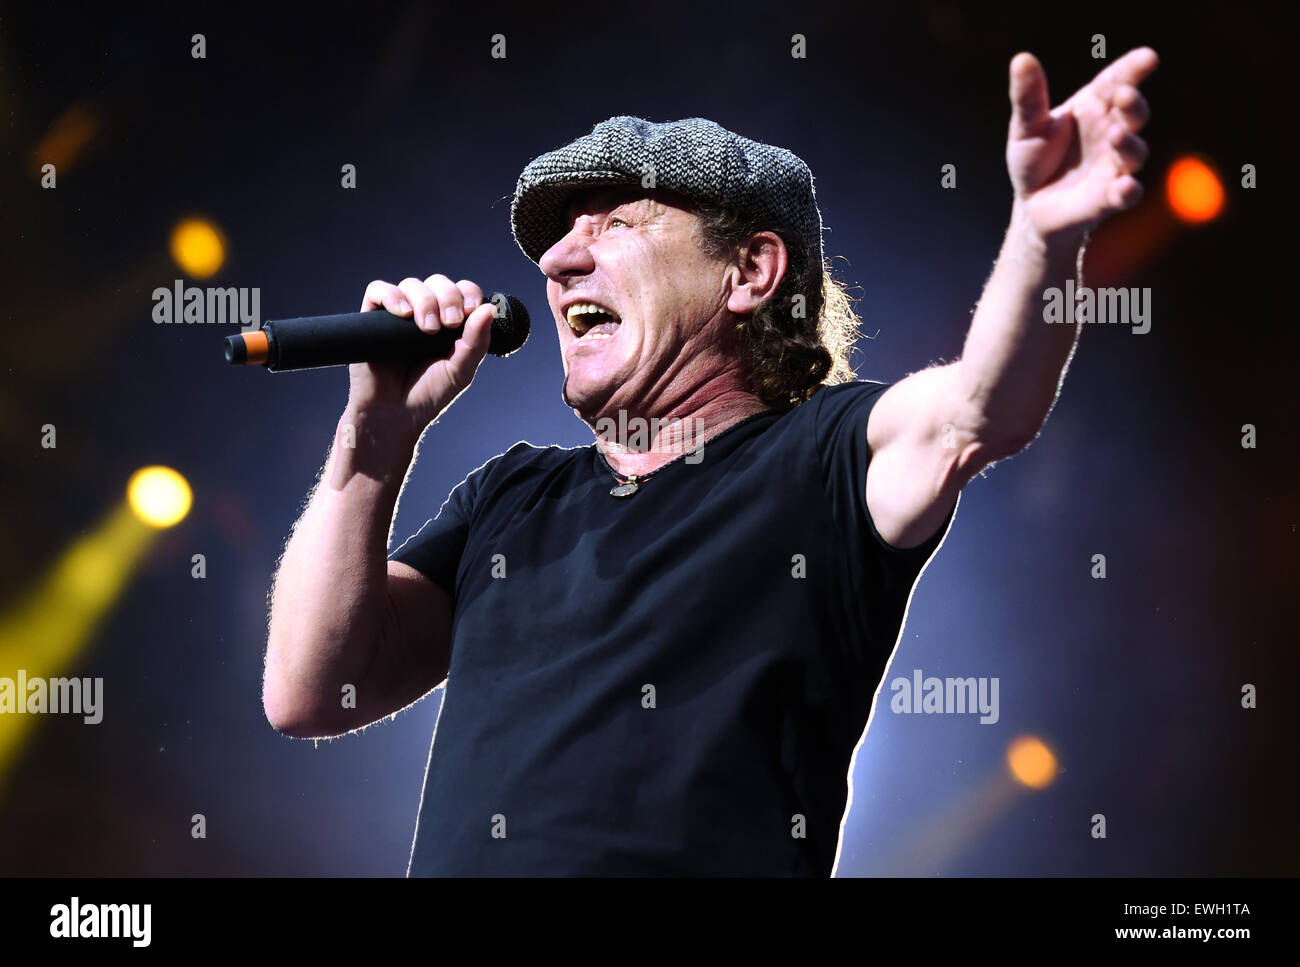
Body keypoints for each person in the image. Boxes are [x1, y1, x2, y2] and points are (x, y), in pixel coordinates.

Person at [262, 47, 1158, 875]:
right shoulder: (511, 495)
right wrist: (374, 437)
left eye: (615, 223)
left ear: (751, 271)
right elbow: (309, 691)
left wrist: (1045, 239)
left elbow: (978, 408)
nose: (561, 259)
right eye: (556, 244)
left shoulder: (824, 458)